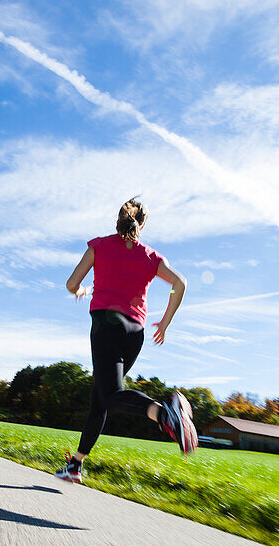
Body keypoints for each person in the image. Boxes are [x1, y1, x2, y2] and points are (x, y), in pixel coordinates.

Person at [55, 198, 197, 484]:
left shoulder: (99, 246)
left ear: (117, 220)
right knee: (101, 398)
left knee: (109, 394)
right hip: (136, 332)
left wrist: (81, 291)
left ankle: (163, 413)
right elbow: (180, 284)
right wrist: (165, 321)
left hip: (107, 325)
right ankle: (75, 465)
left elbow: (71, 284)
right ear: (142, 225)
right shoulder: (151, 256)